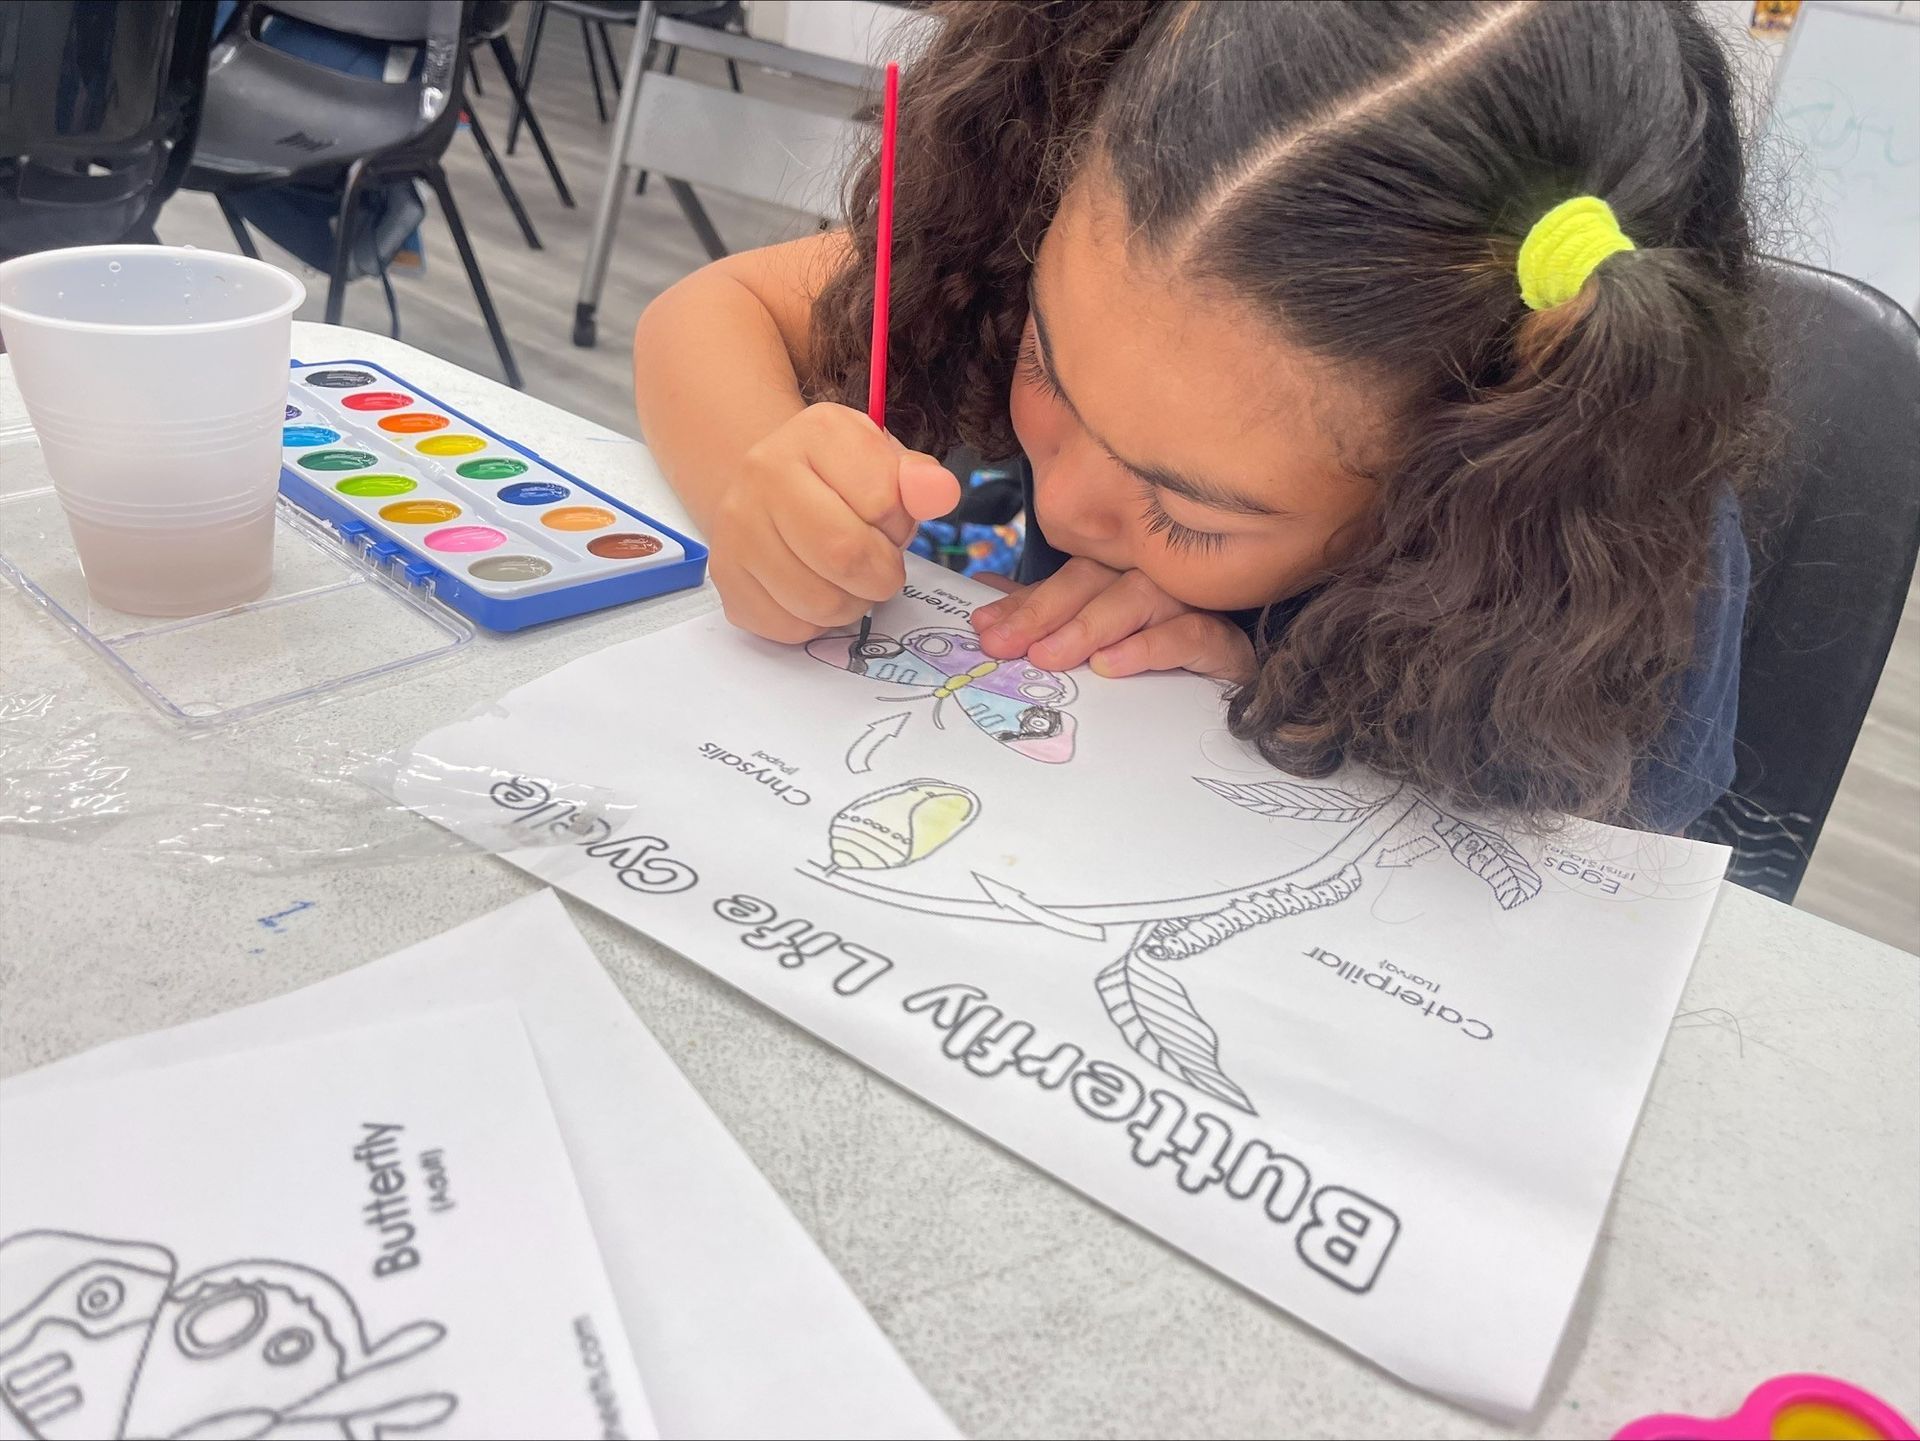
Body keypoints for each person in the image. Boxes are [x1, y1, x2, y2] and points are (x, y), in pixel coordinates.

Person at [633, 0, 1765, 832]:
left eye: (1186, 512)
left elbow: (1553, 920)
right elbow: (710, 312)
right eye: (1049, 365)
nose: (1064, 506)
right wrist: (766, 484)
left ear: (1454, 469)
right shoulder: (1084, 217)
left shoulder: (1599, 578)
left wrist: (1288, 730)